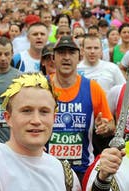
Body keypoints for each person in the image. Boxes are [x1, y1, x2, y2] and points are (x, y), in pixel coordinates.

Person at [47, 35, 114, 181]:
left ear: (79, 57)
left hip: (82, 170)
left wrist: (104, 127)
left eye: (71, 53)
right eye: (61, 53)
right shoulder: (42, 86)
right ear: (53, 58)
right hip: (47, 168)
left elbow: (110, 124)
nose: (66, 57)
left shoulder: (92, 88)